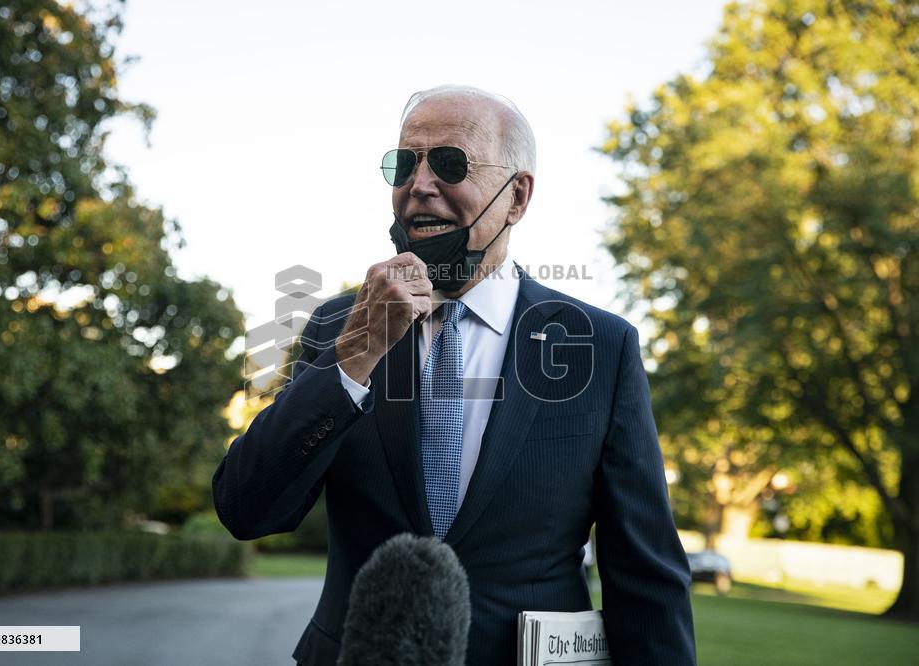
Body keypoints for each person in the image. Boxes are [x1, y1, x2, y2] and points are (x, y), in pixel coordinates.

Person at [212, 84, 695, 665]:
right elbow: (248, 509)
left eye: (449, 163)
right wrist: (357, 355)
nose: (419, 185)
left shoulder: (599, 347)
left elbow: (647, 581)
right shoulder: (337, 325)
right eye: (404, 163)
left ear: (516, 197)